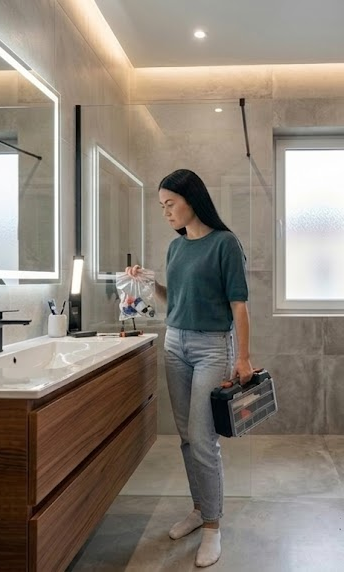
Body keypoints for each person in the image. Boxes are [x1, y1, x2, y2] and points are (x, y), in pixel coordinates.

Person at [126, 169, 252, 568]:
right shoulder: (175, 248)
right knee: (185, 436)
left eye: (170, 204)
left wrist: (243, 357)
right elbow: (171, 299)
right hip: (175, 341)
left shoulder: (224, 244)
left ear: (191, 199)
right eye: (161, 205)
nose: (166, 212)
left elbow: (239, 306)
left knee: (203, 438)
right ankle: (199, 509)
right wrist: (147, 283)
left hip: (212, 346)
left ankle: (213, 526)